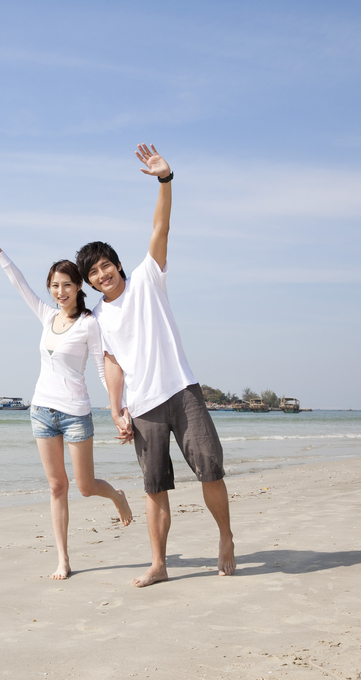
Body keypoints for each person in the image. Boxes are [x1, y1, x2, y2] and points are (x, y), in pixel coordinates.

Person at [76, 144, 236, 587]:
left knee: (210, 470)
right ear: (89, 282)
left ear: (118, 265)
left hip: (181, 391)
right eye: (93, 273)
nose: (101, 275)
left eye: (105, 266)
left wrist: (166, 181)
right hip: (142, 406)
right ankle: (159, 564)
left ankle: (225, 537)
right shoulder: (101, 318)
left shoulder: (149, 275)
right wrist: (115, 408)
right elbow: (112, 363)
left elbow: (160, 225)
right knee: (154, 487)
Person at [0, 209, 133, 580]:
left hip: (75, 413)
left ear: (79, 287)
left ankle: (115, 494)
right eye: (54, 286)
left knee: (84, 487)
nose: (60, 292)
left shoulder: (89, 324)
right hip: (41, 412)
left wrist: (117, 408)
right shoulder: (44, 315)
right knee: (56, 486)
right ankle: (64, 559)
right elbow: (17, 282)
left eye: (67, 285)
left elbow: (103, 368)